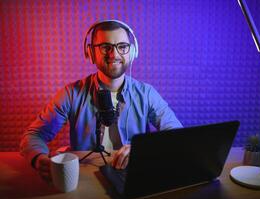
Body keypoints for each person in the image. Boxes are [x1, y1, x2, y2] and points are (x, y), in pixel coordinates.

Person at [20, 20, 182, 183]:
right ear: (90, 53)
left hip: (133, 177)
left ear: (132, 52)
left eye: (122, 47)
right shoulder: (71, 94)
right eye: (106, 47)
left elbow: (176, 134)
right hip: (85, 178)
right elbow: (34, 135)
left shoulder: (146, 94)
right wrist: (38, 158)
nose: (114, 55)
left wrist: (142, 150)